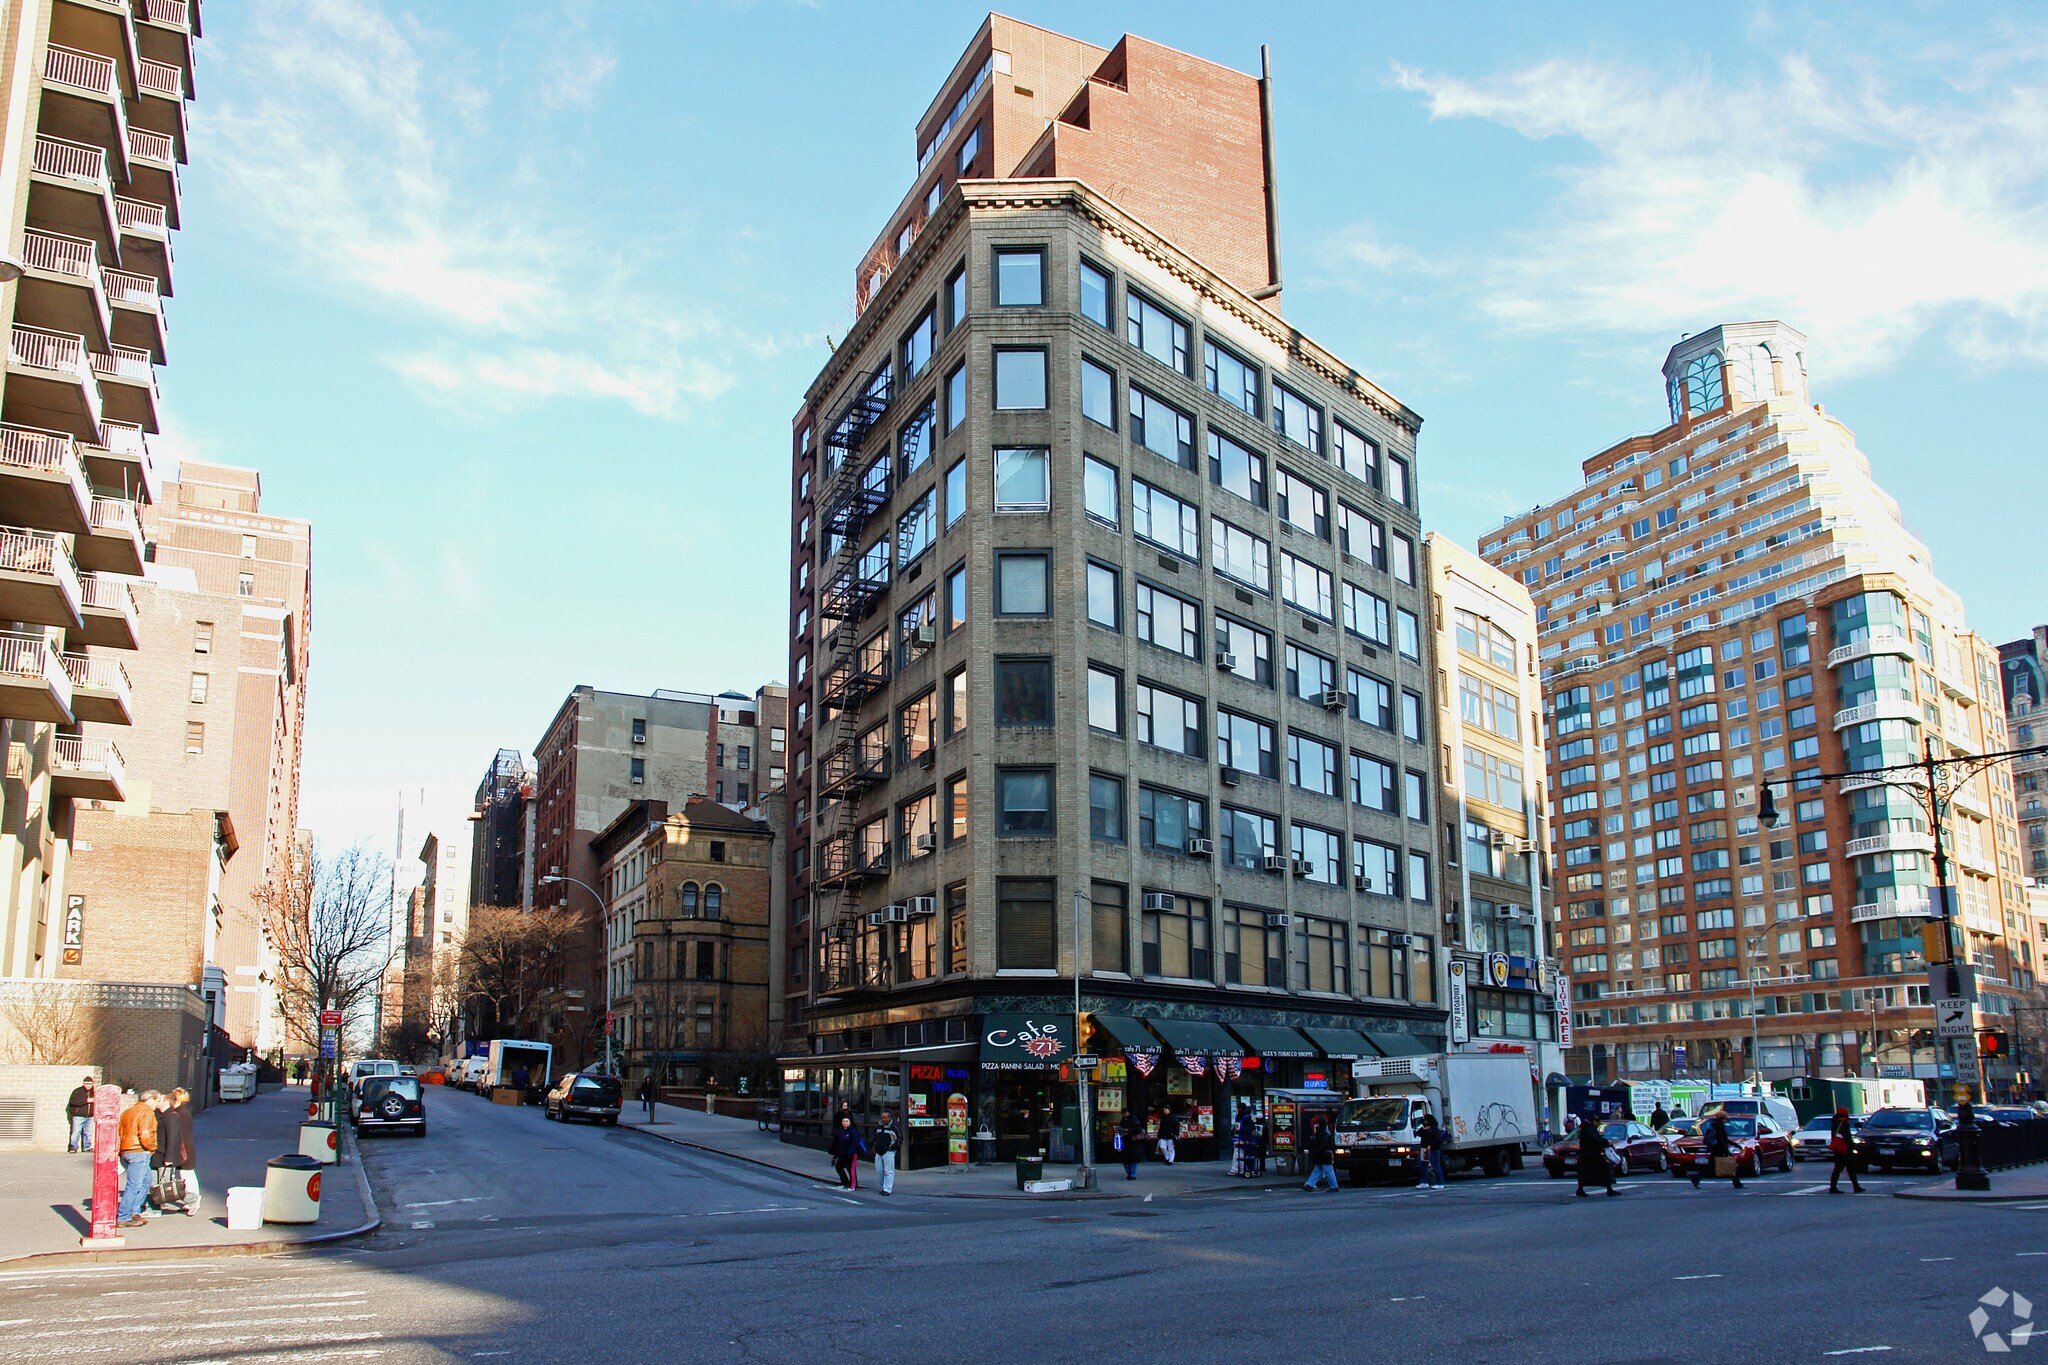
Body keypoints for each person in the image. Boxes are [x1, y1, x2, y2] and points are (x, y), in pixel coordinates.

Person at [115, 1090, 161, 1227]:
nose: (157, 1105)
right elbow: (145, 1134)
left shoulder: (128, 1112)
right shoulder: (146, 1112)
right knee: (134, 1185)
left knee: (146, 1180)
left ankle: (134, 1211)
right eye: (157, 1101)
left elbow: (120, 1131)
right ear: (151, 1099)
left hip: (127, 1149)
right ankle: (124, 1216)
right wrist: (152, 1148)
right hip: (139, 1151)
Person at [153, 1088, 197, 1215]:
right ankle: (190, 1199)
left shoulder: (178, 1114)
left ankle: (192, 1199)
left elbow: (175, 1134)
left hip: (182, 1148)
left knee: (184, 1176)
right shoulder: (175, 1113)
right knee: (178, 1178)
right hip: (180, 1148)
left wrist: (170, 1156)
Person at [1692, 1109, 1743, 1190]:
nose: (1727, 1120)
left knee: (1710, 1166)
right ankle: (1737, 1184)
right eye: (1726, 1118)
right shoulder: (1720, 1126)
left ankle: (1696, 1178)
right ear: (1723, 1118)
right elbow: (1723, 1139)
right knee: (1731, 1165)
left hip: (1715, 1148)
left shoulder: (1714, 1125)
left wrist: (1734, 1145)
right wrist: (1733, 1147)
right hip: (1720, 1149)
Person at [1576, 1115, 1618, 1197]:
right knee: (1604, 1171)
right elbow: (1595, 1140)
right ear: (1595, 1122)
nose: (1599, 1124)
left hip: (1587, 1155)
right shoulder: (1589, 1129)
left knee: (1585, 1173)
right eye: (1599, 1122)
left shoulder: (1587, 1128)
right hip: (1592, 1155)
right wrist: (1604, 1142)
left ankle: (1580, 1189)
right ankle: (1609, 1189)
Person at [1827, 1106, 1864, 1194]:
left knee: (1838, 1169)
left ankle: (1833, 1187)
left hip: (1838, 1149)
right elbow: (1847, 1136)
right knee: (1850, 1169)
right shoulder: (1844, 1122)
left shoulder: (1835, 1122)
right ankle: (1856, 1187)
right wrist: (1853, 1146)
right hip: (1845, 1149)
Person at [1302, 1114, 1340, 1192]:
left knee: (1327, 1170)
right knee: (1320, 1170)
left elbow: (1323, 1144)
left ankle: (1333, 1186)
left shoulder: (1323, 1133)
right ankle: (1310, 1185)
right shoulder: (1325, 1131)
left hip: (1323, 1154)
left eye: (1317, 1123)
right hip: (1324, 1154)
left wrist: (1315, 1149)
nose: (1316, 1125)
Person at [829, 1113, 866, 1190]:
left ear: (850, 1122)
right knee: (838, 1166)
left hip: (852, 1153)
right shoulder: (842, 1131)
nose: (845, 1123)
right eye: (843, 1121)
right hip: (843, 1153)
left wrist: (851, 1152)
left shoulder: (853, 1131)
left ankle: (853, 1185)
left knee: (851, 1169)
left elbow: (855, 1142)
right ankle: (844, 1181)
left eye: (846, 1121)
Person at [1417, 1110, 1446, 1189]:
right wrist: (1423, 1128)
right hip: (1424, 1149)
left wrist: (1431, 1145)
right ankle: (1424, 1182)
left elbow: (1437, 1138)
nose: (1424, 1121)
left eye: (1425, 1120)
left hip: (1433, 1149)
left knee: (1435, 1165)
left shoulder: (1434, 1128)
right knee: (1423, 1165)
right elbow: (1418, 1133)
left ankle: (1440, 1182)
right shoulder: (1424, 1128)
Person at [873, 1108, 899, 1196]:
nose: (883, 1119)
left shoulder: (894, 1128)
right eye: (882, 1117)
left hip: (888, 1151)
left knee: (888, 1171)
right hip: (879, 1151)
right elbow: (875, 1138)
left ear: (889, 1118)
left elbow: (899, 1139)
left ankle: (887, 1189)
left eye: (885, 1118)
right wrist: (874, 1146)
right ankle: (884, 1186)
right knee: (879, 1170)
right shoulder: (878, 1127)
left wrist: (892, 1148)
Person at [66, 1076, 94, 1154]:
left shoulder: (94, 1092)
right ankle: (73, 1147)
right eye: (87, 1084)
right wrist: (86, 1100)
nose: (88, 1085)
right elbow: (73, 1102)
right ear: (83, 1084)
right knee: (76, 1131)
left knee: (88, 1132)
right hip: (78, 1116)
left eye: (90, 1084)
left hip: (90, 1116)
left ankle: (87, 1147)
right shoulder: (78, 1091)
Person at [1115, 1111, 1143, 1180]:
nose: (1124, 1115)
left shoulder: (1134, 1120)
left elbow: (1138, 1129)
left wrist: (1129, 1130)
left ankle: (1133, 1174)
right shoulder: (1123, 1120)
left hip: (1133, 1142)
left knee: (1132, 1159)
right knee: (1126, 1159)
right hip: (1125, 1141)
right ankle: (1130, 1173)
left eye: (1125, 1113)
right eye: (1123, 1113)